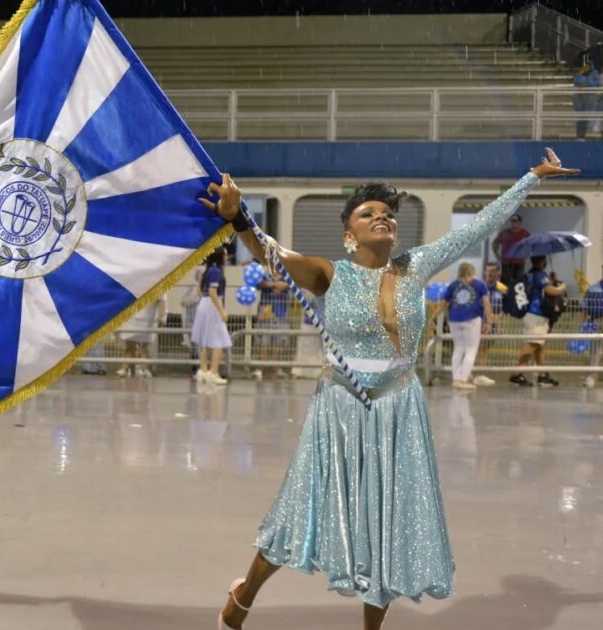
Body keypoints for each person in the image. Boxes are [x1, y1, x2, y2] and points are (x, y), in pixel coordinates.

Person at [200, 149, 577, 630]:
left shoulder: (415, 266)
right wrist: (238, 220)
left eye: (387, 214)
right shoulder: (328, 274)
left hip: (400, 407)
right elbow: (272, 252)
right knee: (303, 505)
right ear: (348, 233)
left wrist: (531, 178)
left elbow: (480, 226)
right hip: (340, 407)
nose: (381, 218)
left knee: (388, 522)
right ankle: (245, 594)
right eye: (367, 213)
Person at [429, 262, 494, 389]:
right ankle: (463, 380)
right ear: (473, 270)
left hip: (454, 319)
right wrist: (489, 321)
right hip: (472, 319)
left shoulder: (453, 285)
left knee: (458, 349)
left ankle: (456, 379)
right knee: (471, 349)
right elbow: (487, 304)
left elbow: (443, 304)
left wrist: (432, 317)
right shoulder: (480, 284)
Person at [510, 255, 567, 387]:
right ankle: (516, 375)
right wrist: (561, 287)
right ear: (543, 262)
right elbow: (550, 291)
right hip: (536, 314)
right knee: (531, 345)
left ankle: (542, 376)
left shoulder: (530, 274)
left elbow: (540, 289)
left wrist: (552, 280)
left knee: (539, 347)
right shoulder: (539, 275)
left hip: (532, 314)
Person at [191, 249, 231, 385]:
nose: (226, 257)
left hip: (205, 304)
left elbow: (200, 290)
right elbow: (213, 292)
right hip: (212, 305)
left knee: (205, 338)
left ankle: (203, 370)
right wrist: (222, 311)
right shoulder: (216, 272)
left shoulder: (207, 271)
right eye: (225, 255)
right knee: (220, 338)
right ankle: (213, 371)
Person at [252, 267, 290, 381]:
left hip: (281, 313)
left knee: (279, 343)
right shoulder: (264, 274)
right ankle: (260, 369)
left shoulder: (286, 275)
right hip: (265, 314)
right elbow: (260, 284)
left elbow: (288, 285)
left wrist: (273, 285)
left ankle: (276, 369)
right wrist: (276, 284)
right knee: (263, 342)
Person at [116, 293, 166, 378]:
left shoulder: (157, 283)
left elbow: (161, 299)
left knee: (144, 348)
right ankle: (124, 369)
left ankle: (145, 370)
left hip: (148, 319)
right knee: (129, 347)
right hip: (131, 317)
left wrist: (161, 315)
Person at [491, 215, 530, 286]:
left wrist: (526, 255)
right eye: (513, 221)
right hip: (506, 263)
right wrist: (497, 255)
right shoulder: (504, 233)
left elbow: (530, 245)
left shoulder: (525, 233)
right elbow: (495, 243)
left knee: (518, 283)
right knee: (506, 283)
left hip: (519, 263)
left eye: (516, 221)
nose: (514, 223)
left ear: (520, 222)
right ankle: (506, 296)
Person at [572, 61, 600, 140]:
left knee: (589, 118)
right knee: (580, 119)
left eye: (587, 66)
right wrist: (580, 74)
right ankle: (580, 136)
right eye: (585, 66)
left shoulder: (594, 73)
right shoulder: (580, 73)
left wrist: (586, 83)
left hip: (590, 99)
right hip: (580, 99)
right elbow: (576, 82)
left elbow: (596, 84)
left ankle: (591, 136)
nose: (586, 68)